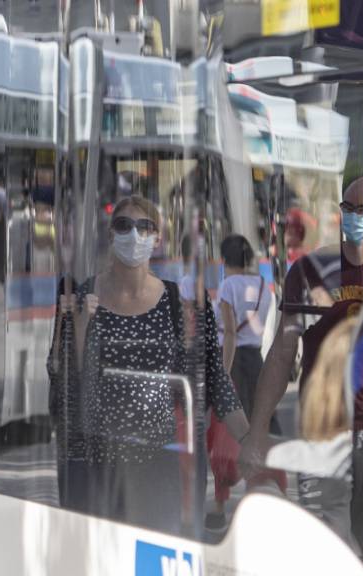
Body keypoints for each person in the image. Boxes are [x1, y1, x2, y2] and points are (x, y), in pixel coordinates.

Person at [48, 195, 248, 534]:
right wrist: (80, 330)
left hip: (162, 464)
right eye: (124, 226)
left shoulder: (178, 301)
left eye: (145, 227)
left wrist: (250, 437)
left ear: (157, 238)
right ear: (111, 236)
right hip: (99, 463)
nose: (134, 235)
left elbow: (213, 374)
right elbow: (65, 386)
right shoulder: (83, 297)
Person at [240, 176, 363, 574]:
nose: (353, 217)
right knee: (323, 544)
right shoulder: (308, 271)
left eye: (362, 210)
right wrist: (258, 429)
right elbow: (283, 354)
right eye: (347, 208)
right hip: (321, 427)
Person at [205, 234, 282, 531]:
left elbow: (231, 336)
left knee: (226, 437)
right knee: (259, 430)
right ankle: (258, 493)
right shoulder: (264, 287)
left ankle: (221, 504)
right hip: (256, 363)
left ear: (225, 260)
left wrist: (222, 373)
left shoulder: (227, 287)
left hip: (233, 362)